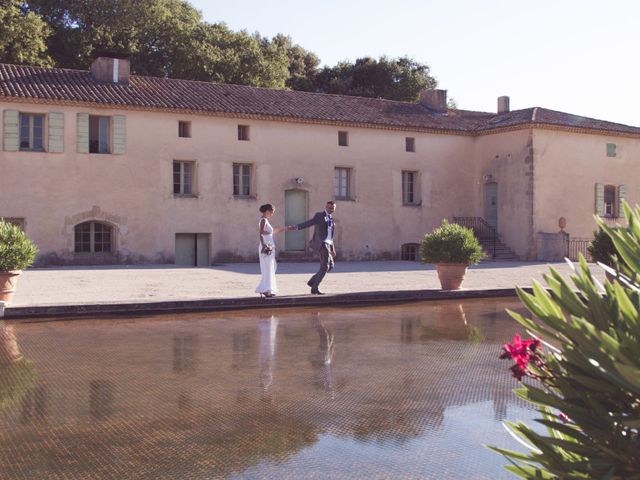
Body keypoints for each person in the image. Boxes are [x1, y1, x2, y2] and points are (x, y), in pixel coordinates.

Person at [291, 201, 337, 295]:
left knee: (331, 265)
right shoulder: (319, 216)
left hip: (328, 244)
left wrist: (333, 249)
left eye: (332, 208)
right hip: (321, 243)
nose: (331, 209)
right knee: (325, 266)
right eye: (329, 208)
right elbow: (310, 222)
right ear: (325, 207)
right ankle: (314, 288)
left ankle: (312, 281)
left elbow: (330, 236)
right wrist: (297, 227)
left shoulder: (331, 219)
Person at [255, 204, 286, 298]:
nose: (272, 214)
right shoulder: (263, 220)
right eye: (272, 212)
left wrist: (285, 229)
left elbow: (271, 232)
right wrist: (264, 245)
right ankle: (266, 290)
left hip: (269, 246)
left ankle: (267, 289)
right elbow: (261, 233)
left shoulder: (266, 220)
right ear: (267, 211)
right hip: (266, 246)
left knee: (271, 267)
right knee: (268, 268)